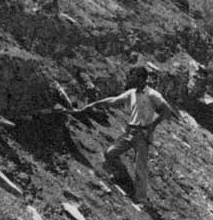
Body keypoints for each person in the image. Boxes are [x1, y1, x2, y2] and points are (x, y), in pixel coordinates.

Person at [75, 66, 177, 205]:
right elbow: (114, 100)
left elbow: (167, 111)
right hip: (130, 132)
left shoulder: (153, 94)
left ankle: (140, 199)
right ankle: (123, 176)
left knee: (140, 167)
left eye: (134, 76)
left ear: (141, 78)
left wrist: (152, 126)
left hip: (143, 135)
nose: (130, 78)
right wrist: (96, 103)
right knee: (110, 153)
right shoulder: (132, 92)